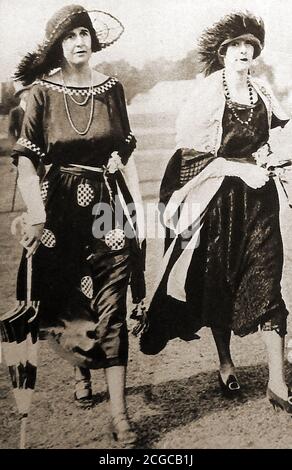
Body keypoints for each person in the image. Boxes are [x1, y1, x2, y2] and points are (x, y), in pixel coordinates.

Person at [140, 11, 292, 412]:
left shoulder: (260, 90)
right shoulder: (208, 94)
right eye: (236, 46)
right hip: (218, 203)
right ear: (223, 52)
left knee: (267, 279)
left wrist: (271, 160)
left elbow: (269, 138)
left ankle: (277, 382)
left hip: (260, 204)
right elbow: (191, 156)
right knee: (219, 282)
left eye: (250, 47)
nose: (244, 52)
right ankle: (225, 362)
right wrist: (237, 167)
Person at [12, 4, 145, 445]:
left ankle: (120, 415)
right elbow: (28, 163)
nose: (79, 41)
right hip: (59, 212)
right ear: (58, 45)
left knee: (112, 307)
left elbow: (125, 149)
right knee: (71, 303)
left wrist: (137, 206)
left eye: (85, 33)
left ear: (94, 38)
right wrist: (35, 214)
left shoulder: (113, 89)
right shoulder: (40, 94)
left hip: (107, 208)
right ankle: (82, 369)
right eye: (69, 36)